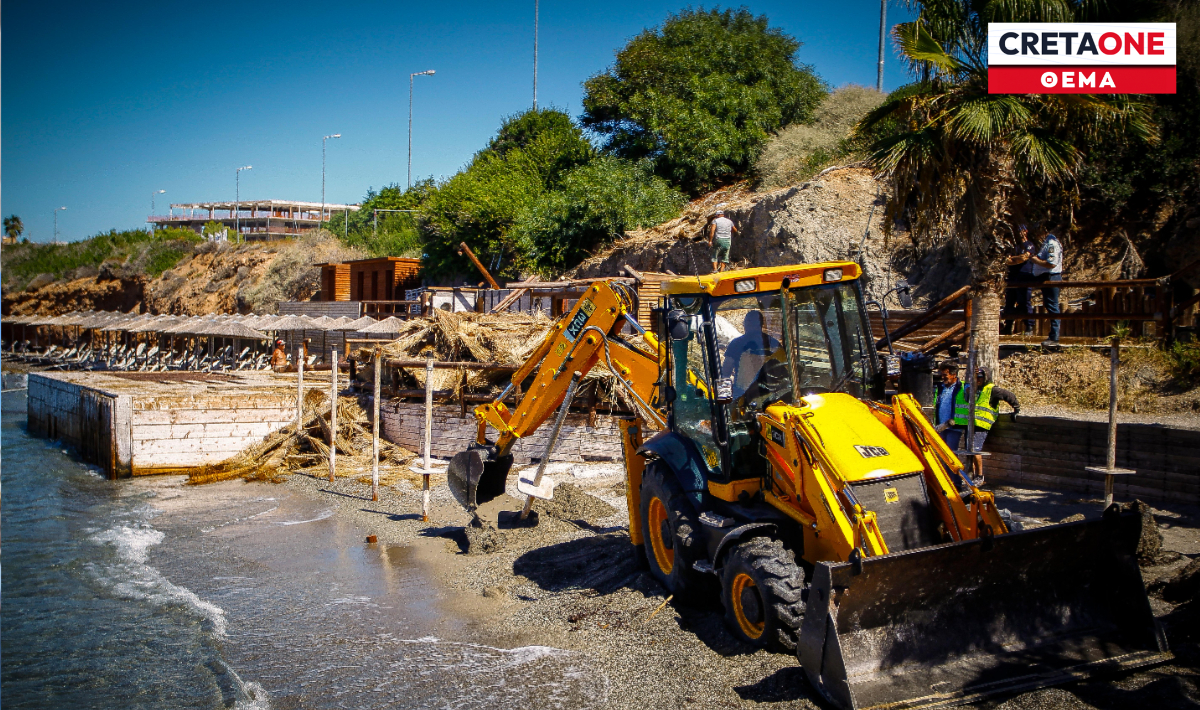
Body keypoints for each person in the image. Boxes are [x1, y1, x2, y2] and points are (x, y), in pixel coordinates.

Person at [943, 367, 1020, 484]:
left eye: (980, 377)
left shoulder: (992, 390)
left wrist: (1016, 409)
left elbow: (1009, 395)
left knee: (975, 450)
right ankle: (972, 475)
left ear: (985, 377)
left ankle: (980, 476)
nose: (978, 379)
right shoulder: (973, 389)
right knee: (969, 450)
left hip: (981, 425)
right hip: (971, 424)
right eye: (976, 377)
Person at [720, 311, 781, 400]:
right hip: (772, 396)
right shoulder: (774, 343)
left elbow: (725, 372)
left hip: (744, 397)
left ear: (746, 324)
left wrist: (723, 399)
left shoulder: (737, 343)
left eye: (747, 322)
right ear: (762, 324)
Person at [1029, 225, 1064, 348]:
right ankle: (1053, 336)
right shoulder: (1046, 243)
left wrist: (1033, 259)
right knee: (1050, 306)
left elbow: (1051, 264)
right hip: (1046, 277)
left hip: (1051, 277)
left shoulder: (1051, 244)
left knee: (1053, 306)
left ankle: (1054, 337)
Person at [1003, 224, 1038, 336]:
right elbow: (1007, 260)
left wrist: (1015, 259)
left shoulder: (1029, 245)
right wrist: (1015, 259)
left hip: (1024, 275)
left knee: (1024, 301)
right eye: (1017, 230)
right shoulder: (1013, 247)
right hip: (1012, 276)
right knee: (1009, 302)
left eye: (1021, 230)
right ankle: (1008, 326)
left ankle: (1029, 326)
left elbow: (1024, 257)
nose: (1019, 233)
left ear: (1026, 231)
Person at [933, 361, 963, 447]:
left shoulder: (961, 387)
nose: (942, 377)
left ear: (954, 375)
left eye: (945, 375)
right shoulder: (940, 387)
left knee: (951, 453)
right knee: (942, 452)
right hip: (941, 426)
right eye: (941, 375)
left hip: (954, 426)